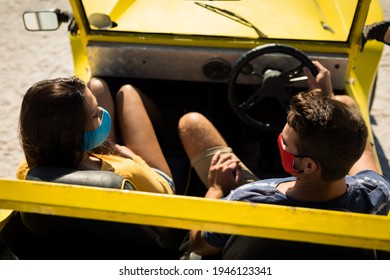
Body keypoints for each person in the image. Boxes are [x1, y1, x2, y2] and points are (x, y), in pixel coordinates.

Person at [178, 61, 390, 256]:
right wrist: (329, 98)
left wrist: (216, 189)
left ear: (308, 165)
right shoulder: (374, 193)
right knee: (345, 101)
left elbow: (200, 245)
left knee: (192, 124)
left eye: (285, 142)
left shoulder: (248, 199)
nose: (279, 141)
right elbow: (362, 149)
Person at [17, 76, 175, 194]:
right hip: (153, 181)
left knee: (97, 86)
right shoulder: (126, 172)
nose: (101, 111)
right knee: (127, 93)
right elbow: (166, 194)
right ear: (73, 137)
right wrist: (134, 158)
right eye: (95, 115)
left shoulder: (27, 170)